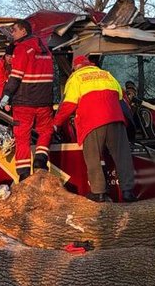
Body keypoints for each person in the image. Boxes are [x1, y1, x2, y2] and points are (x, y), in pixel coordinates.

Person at [53, 56, 137, 202]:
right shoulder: (107, 74)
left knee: (93, 158)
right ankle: (128, 191)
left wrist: (56, 123)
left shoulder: (76, 78)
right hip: (115, 118)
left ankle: (98, 193)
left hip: (92, 121)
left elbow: (69, 104)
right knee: (122, 156)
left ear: (75, 67)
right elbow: (121, 96)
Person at [0, 20, 54, 180]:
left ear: (24, 31)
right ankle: (40, 160)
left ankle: (24, 175)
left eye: (14, 30)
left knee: (22, 138)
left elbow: (16, 76)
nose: (12, 34)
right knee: (46, 130)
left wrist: (6, 95)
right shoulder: (47, 52)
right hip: (44, 102)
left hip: (24, 102)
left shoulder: (22, 49)